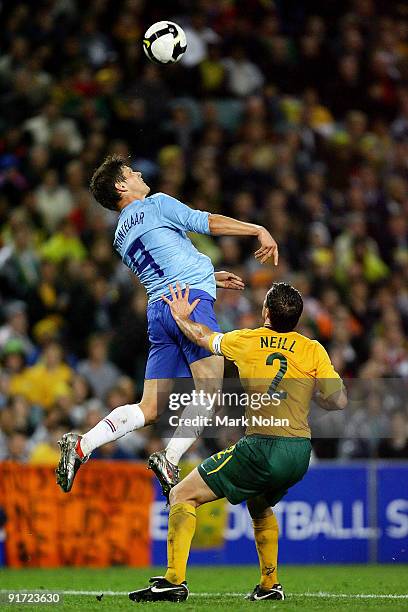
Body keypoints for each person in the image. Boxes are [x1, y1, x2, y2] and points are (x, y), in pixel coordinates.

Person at [56, 154, 278, 496]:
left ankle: (83, 445)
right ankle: (170, 457)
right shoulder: (157, 203)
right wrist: (257, 229)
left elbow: (163, 263)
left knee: (149, 407)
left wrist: (208, 276)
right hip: (188, 306)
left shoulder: (119, 234)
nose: (139, 173)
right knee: (210, 389)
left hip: (160, 311)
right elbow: (207, 222)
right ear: (121, 185)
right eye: (131, 172)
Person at [129, 282, 346, 603]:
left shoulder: (248, 338)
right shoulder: (313, 349)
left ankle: (173, 580)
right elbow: (337, 401)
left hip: (262, 446)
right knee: (260, 504)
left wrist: (180, 316)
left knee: (181, 494)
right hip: (300, 451)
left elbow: (202, 337)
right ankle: (269, 585)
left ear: (266, 312)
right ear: (298, 319)